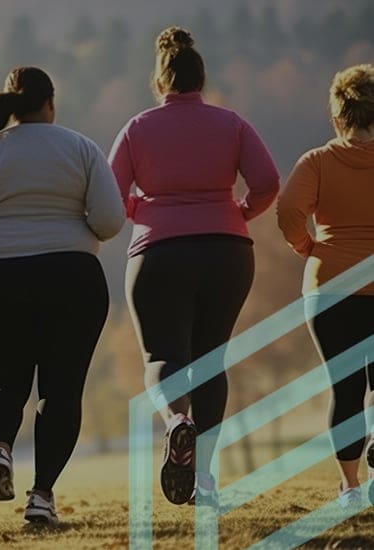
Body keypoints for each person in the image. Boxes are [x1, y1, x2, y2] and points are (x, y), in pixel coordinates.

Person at [0, 66, 125, 525]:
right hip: (72, 277)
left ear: (9, 105)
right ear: (51, 103)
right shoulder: (81, 147)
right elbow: (108, 219)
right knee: (61, 391)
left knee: (1, 382)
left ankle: (0, 450)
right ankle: (42, 496)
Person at [109, 27, 279, 507]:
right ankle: (203, 477)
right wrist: (240, 211)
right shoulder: (232, 124)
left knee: (162, 354)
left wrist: (143, 211)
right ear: (200, 80)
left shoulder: (138, 128)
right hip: (227, 249)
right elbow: (267, 181)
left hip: (159, 249)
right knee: (210, 360)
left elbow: (109, 192)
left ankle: (176, 421)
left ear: (160, 82)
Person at [278, 64, 374, 510]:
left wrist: (307, 247)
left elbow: (288, 211)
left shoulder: (317, 161)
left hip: (330, 288)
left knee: (346, 388)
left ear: (339, 115)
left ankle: (350, 488)